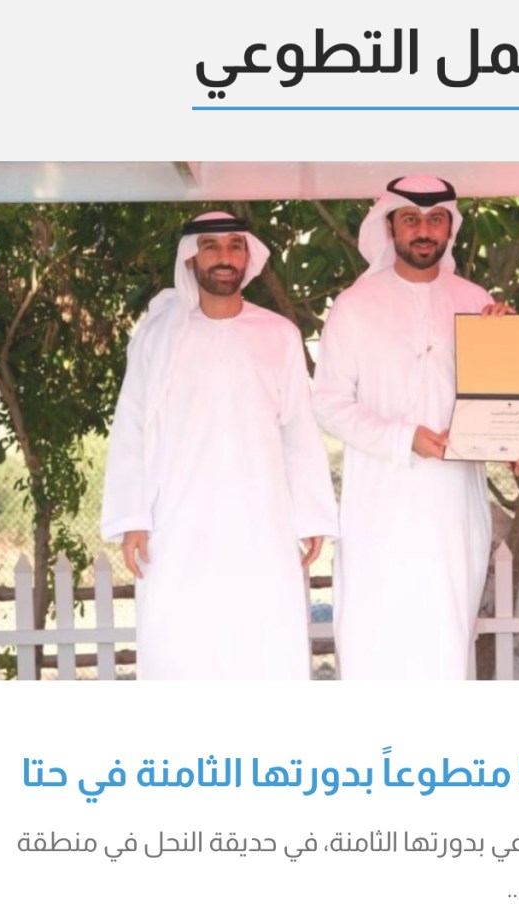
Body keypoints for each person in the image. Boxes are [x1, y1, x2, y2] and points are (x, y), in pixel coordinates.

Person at [101, 212, 338, 680]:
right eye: (211, 246)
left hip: (261, 523)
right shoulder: (157, 337)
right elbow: (131, 427)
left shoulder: (279, 334)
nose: (224, 257)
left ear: (248, 257)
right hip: (178, 523)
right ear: (190, 259)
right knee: (179, 643)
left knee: (264, 643)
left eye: (234, 246)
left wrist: (311, 515)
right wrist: (132, 518)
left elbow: (297, 428)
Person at [312, 176, 497, 679]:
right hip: (379, 504)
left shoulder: (475, 300)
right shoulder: (355, 304)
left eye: (436, 219)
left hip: (453, 504)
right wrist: (403, 437)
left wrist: (504, 339)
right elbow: (328, 403)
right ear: (389, 225)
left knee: (446, 636)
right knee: (377, 636)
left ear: (450, 229)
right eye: (411, 219)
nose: (424, 230)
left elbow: (501, 401)